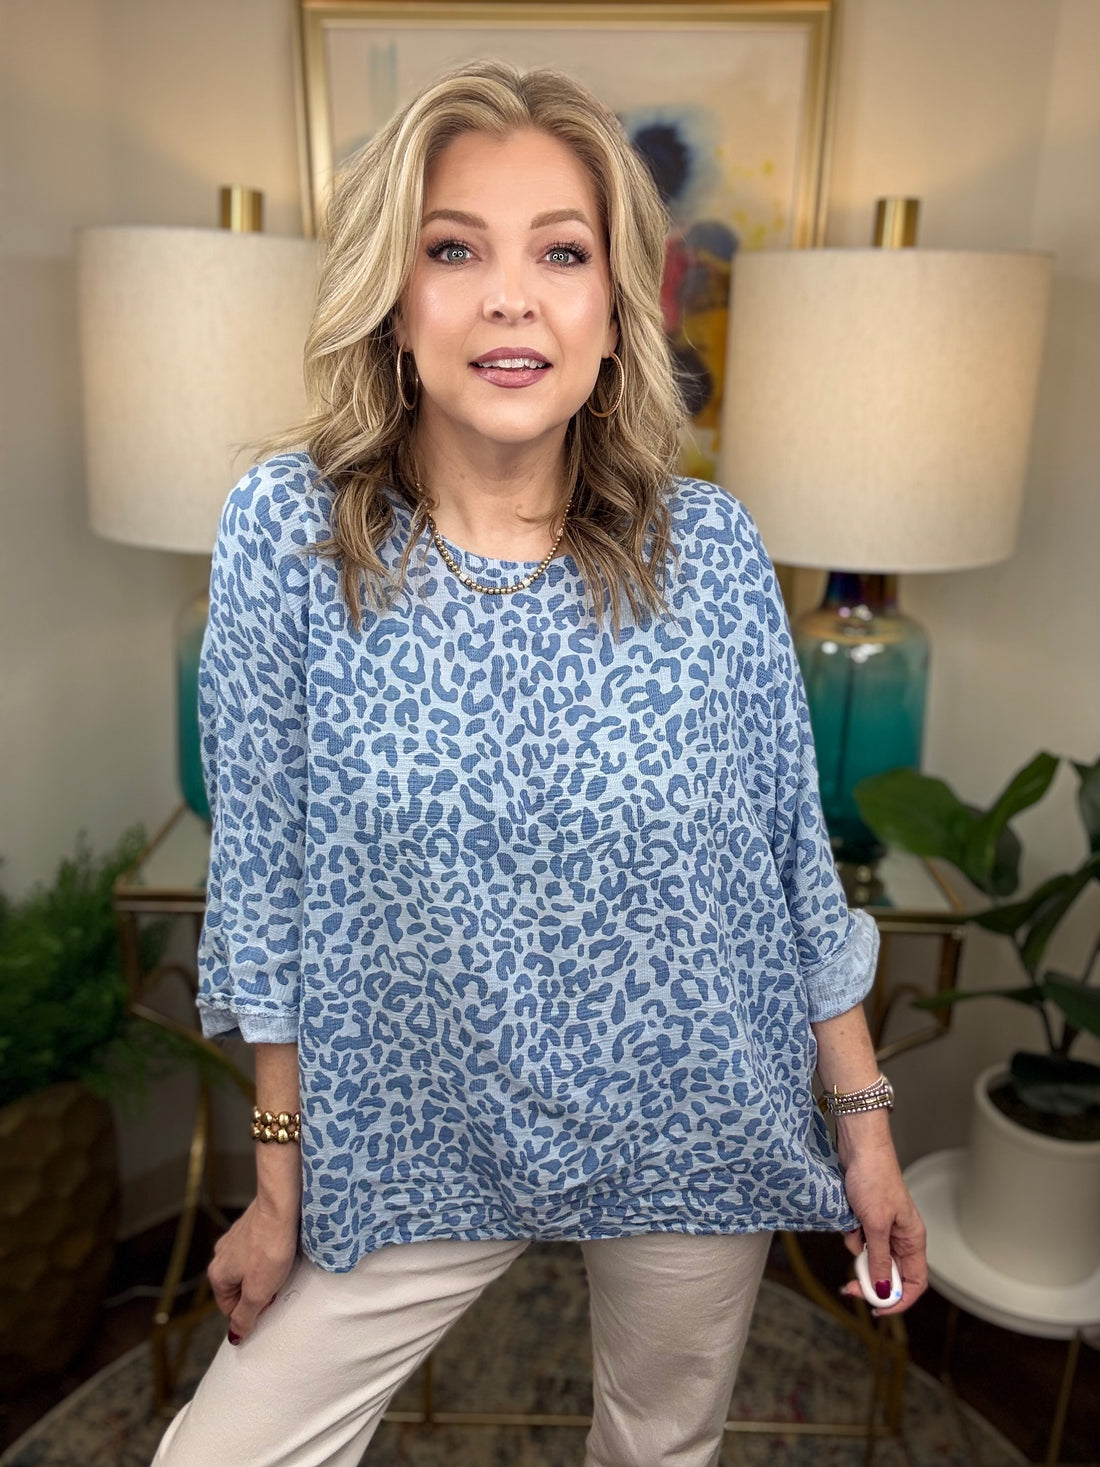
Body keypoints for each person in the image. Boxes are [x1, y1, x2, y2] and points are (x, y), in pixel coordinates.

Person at [151, 58, 927, 1467]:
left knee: (658, 1448)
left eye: (560, 253)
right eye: (454, 250)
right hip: (414, 1120)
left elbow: (786, 860)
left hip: (697, 1111)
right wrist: (277, 1185)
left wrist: (863, 1126)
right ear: (395, 301)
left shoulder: (715, 552)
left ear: (615, 309)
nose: (511, 295)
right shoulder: (287, 535)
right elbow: (263, 888)